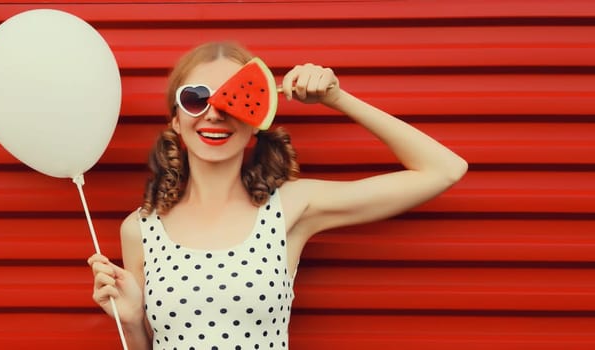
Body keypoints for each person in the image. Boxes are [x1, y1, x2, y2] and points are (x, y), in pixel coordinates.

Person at [88, 41, 467, 350]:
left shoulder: (290, 209)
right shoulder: (140, 229)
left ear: (258, 117)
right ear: (175, 118)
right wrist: (132, 321)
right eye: (195, 99)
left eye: (233, 99)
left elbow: (444, 169)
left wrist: (337, 98)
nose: (215, 113)